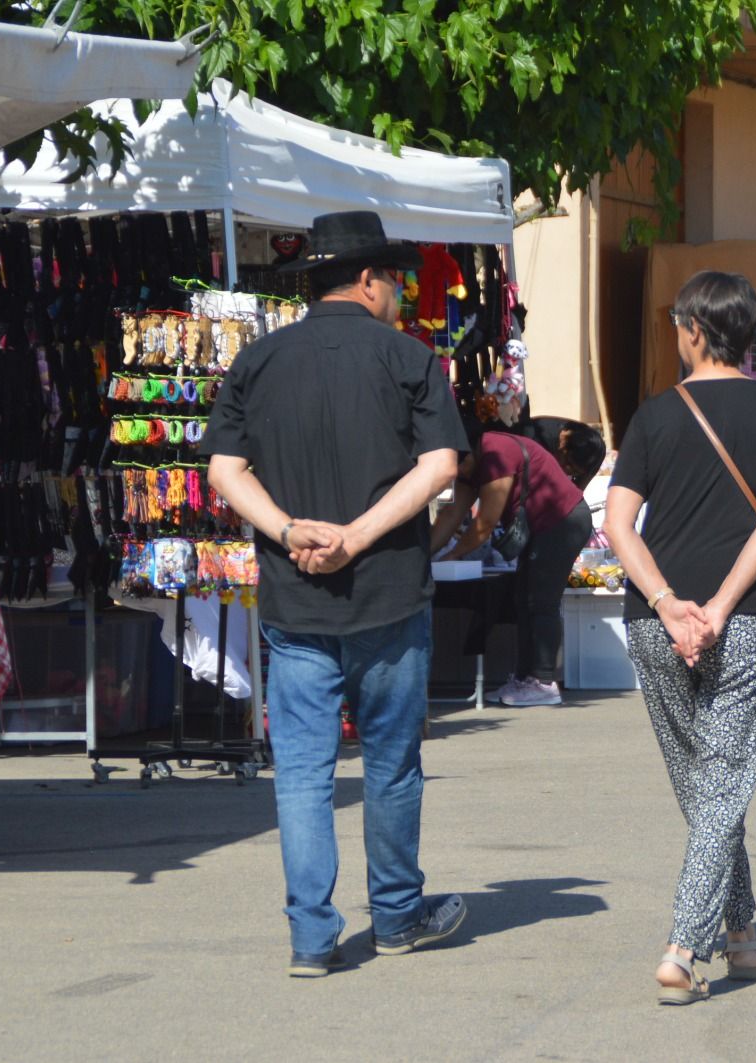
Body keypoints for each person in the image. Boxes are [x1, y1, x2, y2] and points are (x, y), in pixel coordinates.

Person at [202, 211, 469, 977]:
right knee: (389, 762)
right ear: (367, 279)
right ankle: (395, 916)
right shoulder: (409, 360)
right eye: (394, 279)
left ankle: (312, 938)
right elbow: (440, 466)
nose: (399, 293)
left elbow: (225, 471)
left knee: (304, 774)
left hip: (295, 597)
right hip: (386, 589)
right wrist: (356, 535)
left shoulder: (258, 360)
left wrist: (290, 532)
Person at [603, 270, 756, 1005]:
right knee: (718, 780)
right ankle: (689, 944)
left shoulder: (654, 414)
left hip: (656, 620)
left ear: (692, 328)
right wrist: (715, 607)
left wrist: (669, 602)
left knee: (709, 779)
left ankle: (735, 933)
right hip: (746, 614)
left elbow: (619, 524)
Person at [429, 428, 592, 707]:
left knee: (541, 602)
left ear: (464, 455)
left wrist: (453, 554)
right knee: (522, 599)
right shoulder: (472, 466)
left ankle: (543, 681)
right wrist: (425, 556)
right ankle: (525, 678)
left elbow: (485, 523)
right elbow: (451, 515)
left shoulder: (495, 452)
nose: (455, 476)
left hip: (564, 522)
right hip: (542, 527)